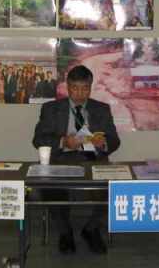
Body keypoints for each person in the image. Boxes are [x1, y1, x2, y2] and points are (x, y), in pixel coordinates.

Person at [32, 65, 120, 255]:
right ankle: (65, 232)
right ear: (67, 87)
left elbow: (114, 140)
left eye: (84, 88)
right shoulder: (51, 109)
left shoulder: (101, 109)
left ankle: (91, 229)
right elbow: (38, 139)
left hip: (93, 160)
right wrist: (63, 141)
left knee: (114, 191)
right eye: (75, 88)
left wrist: (103, 143)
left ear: (90, 87)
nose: (79, 94)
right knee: (52, 190)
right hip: (61, 159)